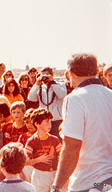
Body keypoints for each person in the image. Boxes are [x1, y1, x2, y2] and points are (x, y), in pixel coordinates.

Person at [52, 53, 112, 192]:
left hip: (88, 183)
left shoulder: (74, 99)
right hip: (105, 183)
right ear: (96, 72)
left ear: (70, 74)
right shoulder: (110, 95)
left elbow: (71, 148)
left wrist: (56, 186)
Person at [25, 108, 61, 192]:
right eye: (46, 121)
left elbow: (62, 155)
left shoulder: (54, 139)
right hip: (39, 175)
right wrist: (39, 159)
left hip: (54, 174)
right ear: (37, 124)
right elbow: (25, 161)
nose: (49, 125)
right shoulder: (31, 141)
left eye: (50, 122)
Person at [28, 67, 67, 142]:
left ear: (51, 75)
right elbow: (31, 98)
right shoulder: (40, 87)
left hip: (56, 119)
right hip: (43, 119)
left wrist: (52, 83)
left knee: (57, 141)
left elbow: (61, 95)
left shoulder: (59, 85)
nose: (44, 77)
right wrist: (37, 84)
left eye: (46, 75)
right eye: (42, 75)